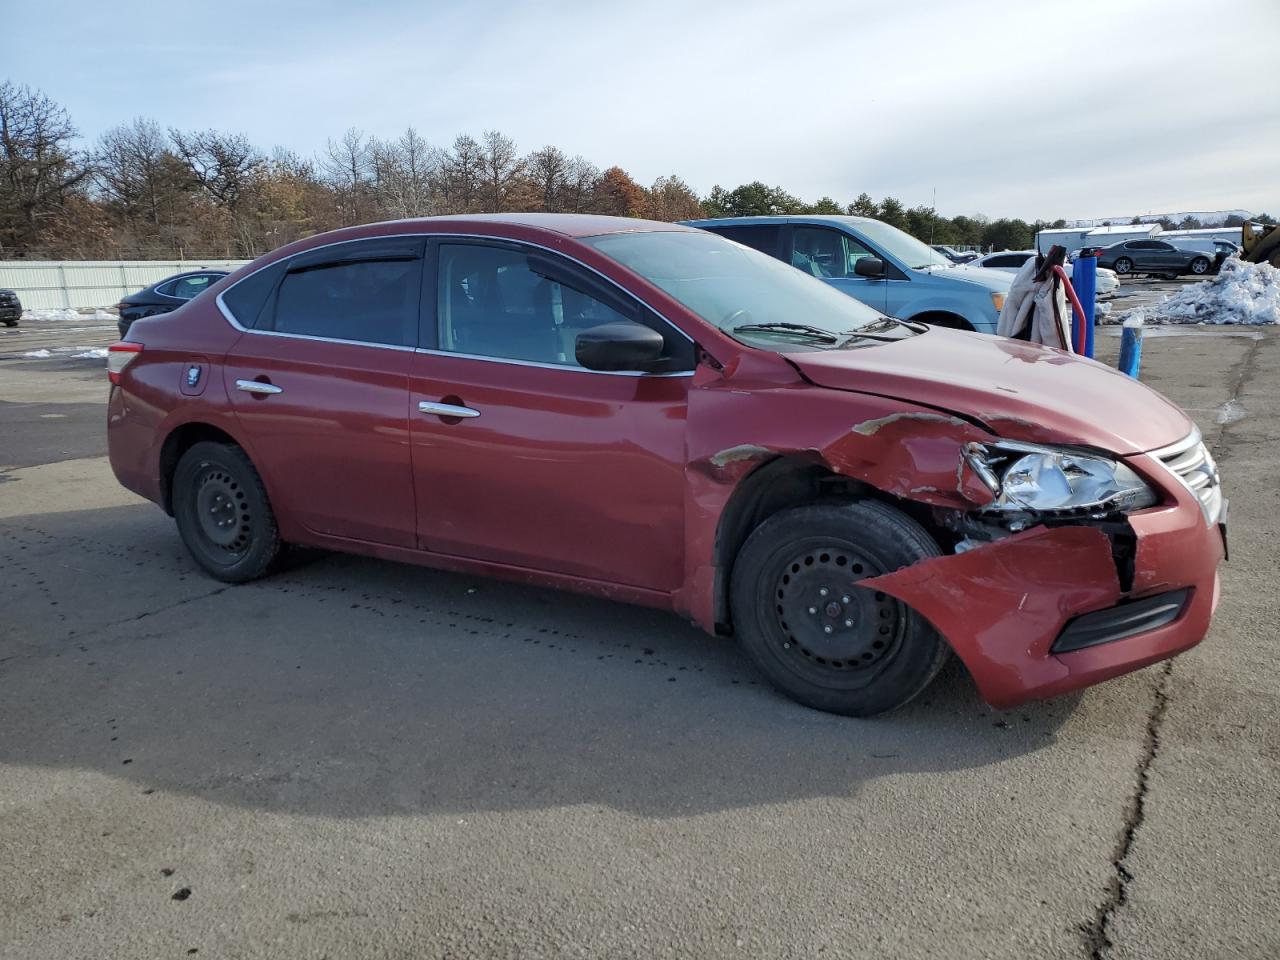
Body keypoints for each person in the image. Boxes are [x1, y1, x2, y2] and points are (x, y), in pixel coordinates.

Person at [996, 244, 1074, 351]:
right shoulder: (1044, 284)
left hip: (1017, 344)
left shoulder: (1024, 284)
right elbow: (1052, 324)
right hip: (1031, 348)